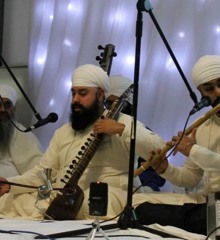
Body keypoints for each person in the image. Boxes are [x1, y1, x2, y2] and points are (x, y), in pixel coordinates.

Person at [0, 64, 165, 221]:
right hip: (63, 198)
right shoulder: (64, 132)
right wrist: (11, 185)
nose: (75, 100)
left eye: (83, 93)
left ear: (100, 94)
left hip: (104, 197)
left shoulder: (123, 122)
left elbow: (159, 148)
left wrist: (120, 129)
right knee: (7, 201)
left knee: (94, 204)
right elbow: (43, 172)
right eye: (73, 93)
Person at [133, 55, 220, 235]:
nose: (219, 92)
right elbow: (191, 176)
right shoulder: (202, 126)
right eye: (209, 89)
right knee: (141, 207)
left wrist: (192, 150)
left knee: (184, 217)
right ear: (201, 93)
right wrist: (165, 169)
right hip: (211, 205)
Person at [106, 74, 166, 192]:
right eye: (108, 104)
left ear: (129, 106)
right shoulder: (95, 131)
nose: (112, 110)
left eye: (118, 105)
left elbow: (159, 175)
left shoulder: (141, 133)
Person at [0, 84, 43, 178]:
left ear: (13, 109)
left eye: (7, 105)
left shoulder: (24, 134)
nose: (3, 110)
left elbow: (38, 171)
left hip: (14, 189)